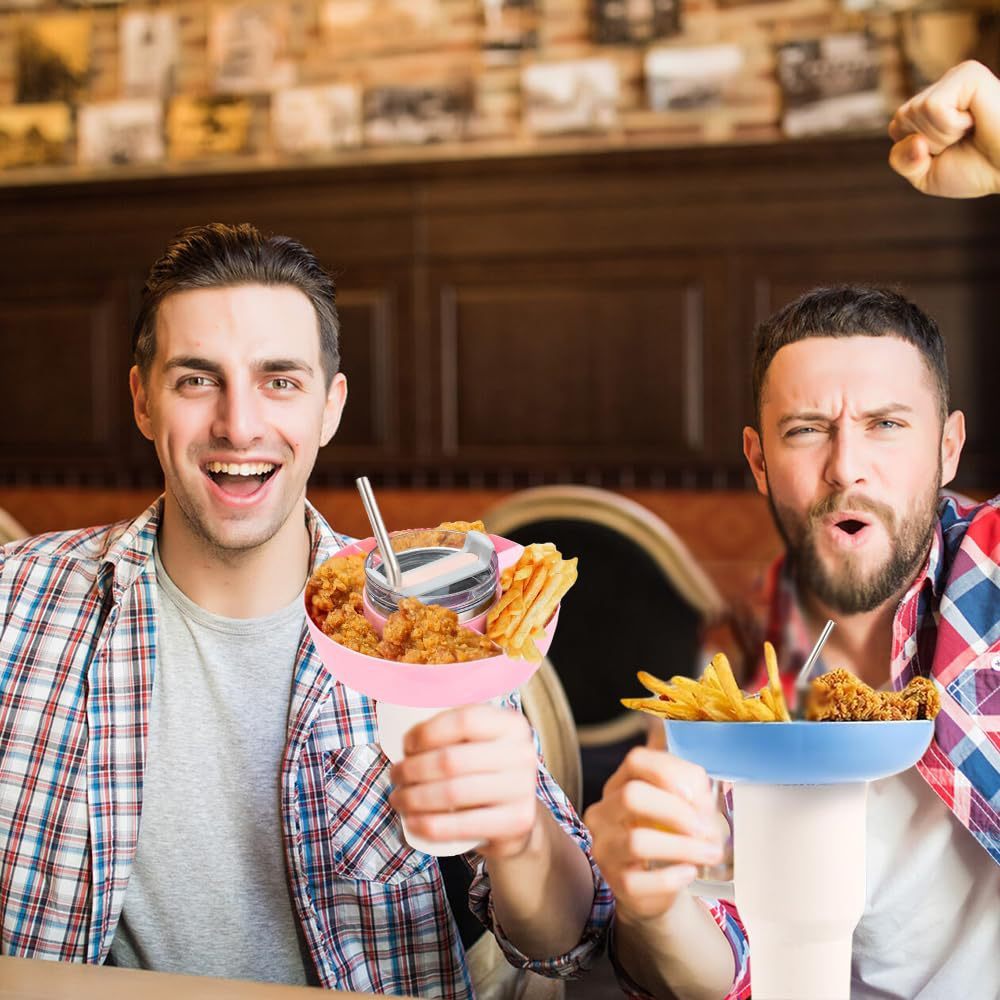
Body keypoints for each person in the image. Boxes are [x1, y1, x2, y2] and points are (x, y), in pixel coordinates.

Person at [0, 223, 611, 995]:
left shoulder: (436, 630)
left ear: (329, 406)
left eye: (279, 381)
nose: (240, 425)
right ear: (142, 401)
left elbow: (564, 944)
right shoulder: (14, 604)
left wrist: (519, 836)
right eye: (196, 379)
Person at [585, 60, 1000, 1000]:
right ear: (759, 459)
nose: (848, 465)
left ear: (947, 451)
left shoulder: (992, 564)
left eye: (889, 427)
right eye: (808, 430)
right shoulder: (735, 688)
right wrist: (651, 906)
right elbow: (722, 969)